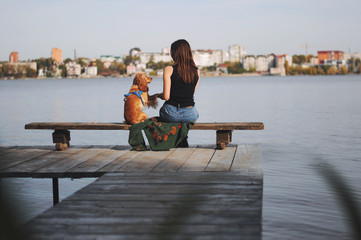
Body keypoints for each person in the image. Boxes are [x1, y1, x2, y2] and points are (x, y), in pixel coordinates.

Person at [158, 39, 200, 123]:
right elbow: (190, 93)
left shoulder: (169, 69)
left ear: (175, 53)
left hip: (170, 114)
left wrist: (157, 95)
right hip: (190, 115)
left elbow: (166, 97)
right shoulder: (197, 71)